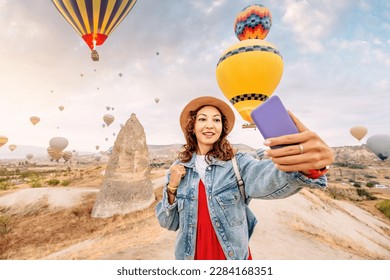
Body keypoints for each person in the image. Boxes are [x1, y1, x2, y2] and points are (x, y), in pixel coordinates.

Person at [155, 96, 334, 260]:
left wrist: (305, 167)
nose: (210, 125)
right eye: (202, 119)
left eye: (216, 120)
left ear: (222, 129)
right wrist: (172, 188)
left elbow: (266, 176)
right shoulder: (178, 169)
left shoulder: (237, 164)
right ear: (192, 127)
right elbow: (168, 223)